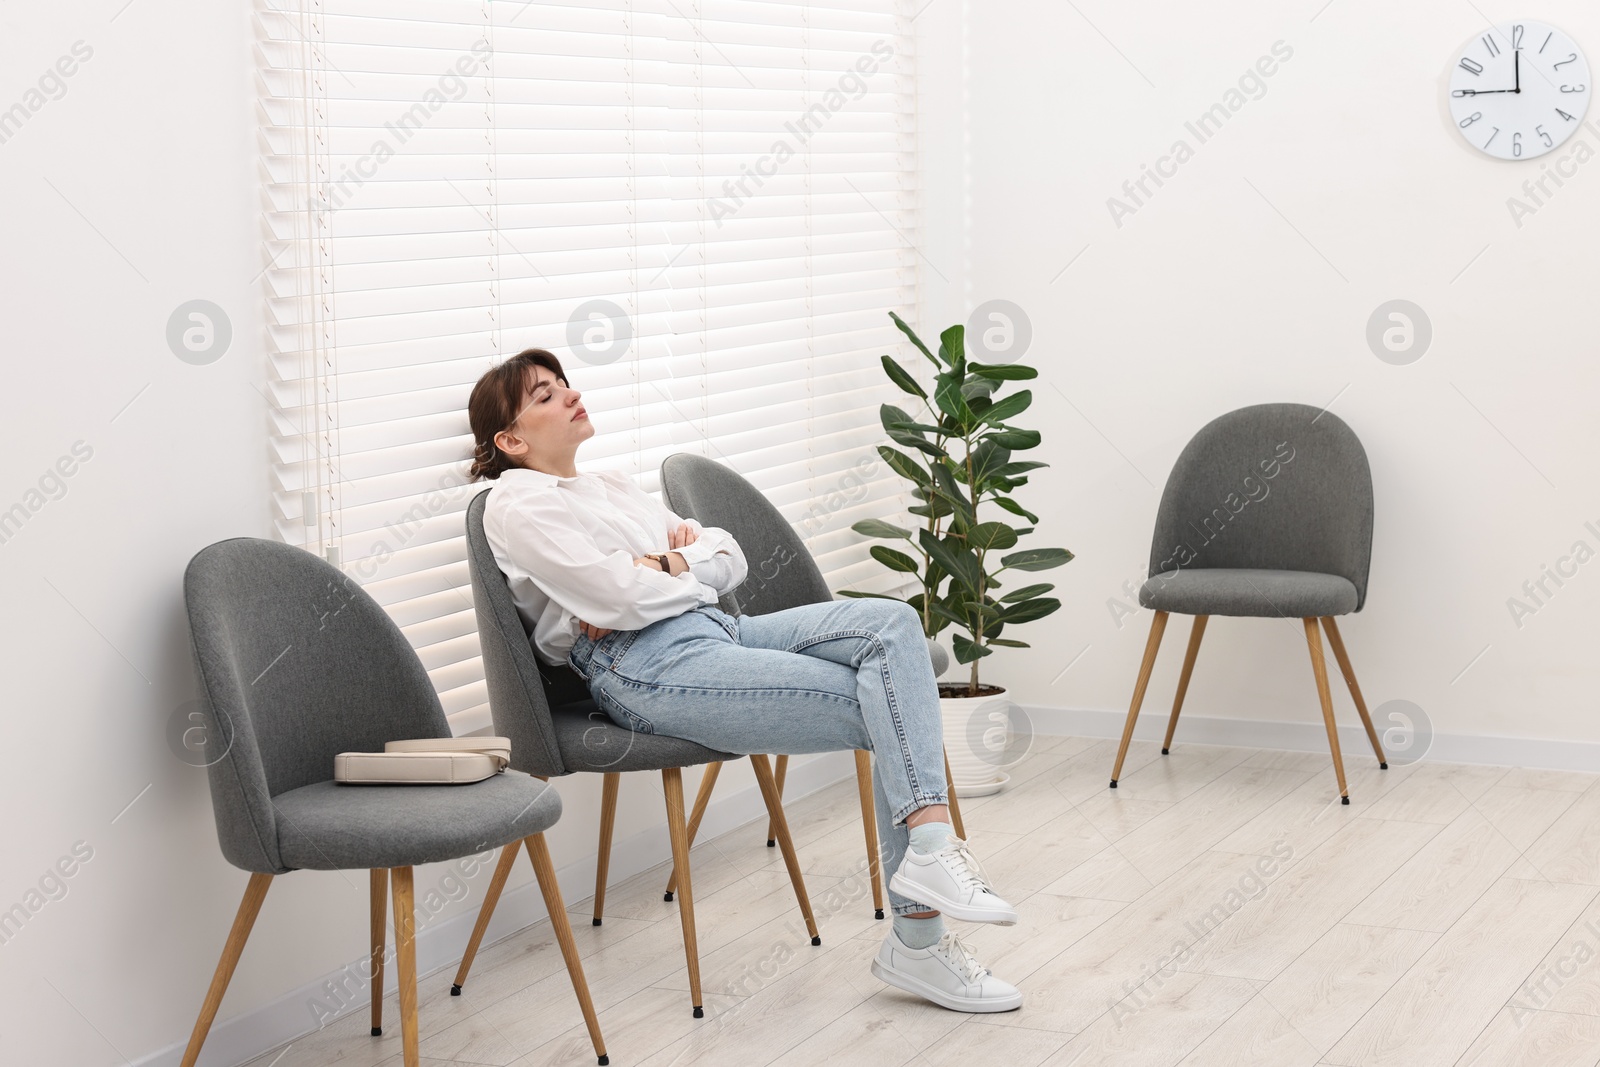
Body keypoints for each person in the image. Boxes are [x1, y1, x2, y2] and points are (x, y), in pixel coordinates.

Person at [465, 347, 1023, 1013]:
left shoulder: (610, 485)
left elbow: (730, 556)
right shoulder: (517, 505)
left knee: (895, 626)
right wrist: (677, 565)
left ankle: (930, 847)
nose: (570, 395)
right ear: (511, 438)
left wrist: (664, 562)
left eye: (565, 384)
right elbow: (616, 601)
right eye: (546, 395)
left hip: (718, 629)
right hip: (646, 665)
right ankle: (920, 940)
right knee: (887, 703)